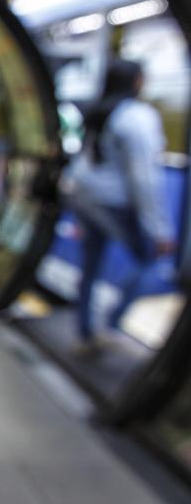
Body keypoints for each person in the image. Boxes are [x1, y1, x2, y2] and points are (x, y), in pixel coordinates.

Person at [68, 59, 176, 350]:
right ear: (137, 81)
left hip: (86, 198)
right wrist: (160, 230)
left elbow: (82, 163)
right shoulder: (136, 116)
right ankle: (111, 324)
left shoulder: (99, 112)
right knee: (151, 262)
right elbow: (145, 178)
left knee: (90, 267)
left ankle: (86, 332)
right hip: (112, 203)